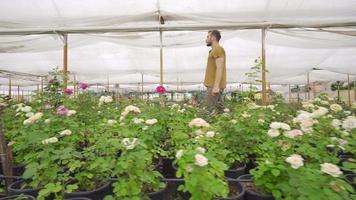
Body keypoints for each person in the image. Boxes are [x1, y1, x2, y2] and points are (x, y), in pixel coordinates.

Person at [203, 30, 226, 113]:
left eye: (208, 37)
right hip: (214, 85)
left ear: (213, 38)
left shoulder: (217, 48)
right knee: (221, 112)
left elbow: (220, 67)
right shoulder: (213, 50)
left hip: (213, 86)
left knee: (207, 111)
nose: (206, 39)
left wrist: (216, 86)